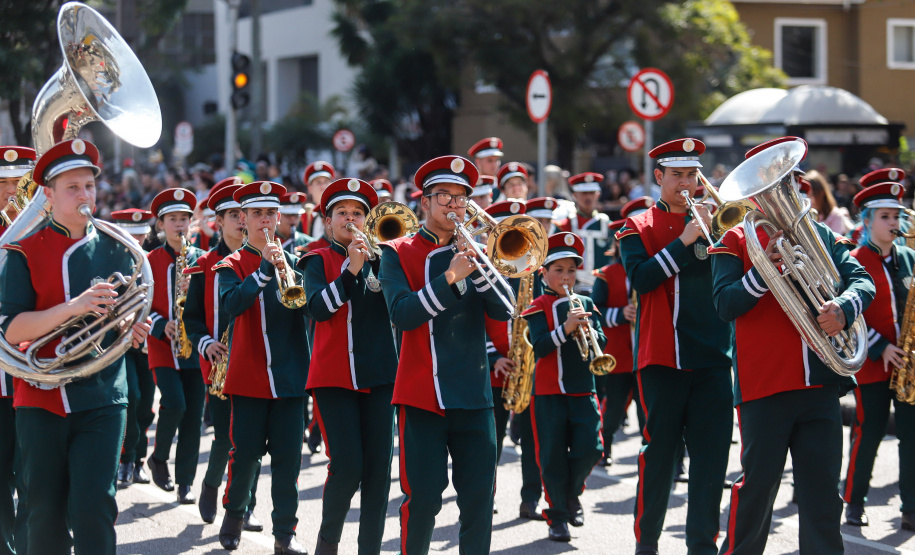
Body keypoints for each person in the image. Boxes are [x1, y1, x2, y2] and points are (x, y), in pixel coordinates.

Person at [710, 137, 875, 554]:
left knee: (823, 498)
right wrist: (764, 271)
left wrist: (844, 307)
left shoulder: (820, 234)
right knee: (758, 491)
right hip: (764, 387)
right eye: (771, 186)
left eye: (788, 182)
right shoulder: (735, 240)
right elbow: (725, 304)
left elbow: (863, 280)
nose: (783, 193)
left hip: (821, 385)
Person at [0, 138, 150, 555]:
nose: (85, 196)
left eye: (89, 186)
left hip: (104, 395)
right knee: (43, 514)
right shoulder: (23, 250)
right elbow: (11, 329)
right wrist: (74, 307)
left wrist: (132, 327)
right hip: (40, 397)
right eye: (72, 188)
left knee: (94, 507)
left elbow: (128, 309)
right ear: (47, 195)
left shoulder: (119, 248)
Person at [378, 155, 511, 554]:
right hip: (423, 394)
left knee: (479, 501)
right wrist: (451, 277)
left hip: (474, 394)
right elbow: (402, 314)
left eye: (461, 198)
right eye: (444, 196)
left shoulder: (479, 250)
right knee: (422, 501)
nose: (455, 205)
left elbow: (506, 309)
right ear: (424, 202)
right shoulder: (396, 251)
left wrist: (480, 269)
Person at [616, 138, 734, 555]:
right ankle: (646, 543)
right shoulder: (636, 226)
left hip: (714, 356)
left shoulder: (720, 221)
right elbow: (642, 279)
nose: (686, 183)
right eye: (677, 175)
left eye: (692, 175)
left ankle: (702, 546)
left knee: (711, 459)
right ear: (659, 177)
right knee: (660, 455)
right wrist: (684, 240)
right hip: (664, 357)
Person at [299, 178, 398, 555]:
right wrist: (350, 271)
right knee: (347, 466)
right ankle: (327, 544)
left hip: (381, 375)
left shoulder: (386, 258)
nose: (351, 219)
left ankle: (369, 548)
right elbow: (317, 309)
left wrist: (377, 261)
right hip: (334, 377)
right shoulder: (315, 259)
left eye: (358, 213)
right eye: (342, 213)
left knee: (378, 471)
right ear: (328, 221)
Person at [215, 181, 309, 554]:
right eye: (257, 213)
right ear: (244, 218)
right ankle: (234, 513)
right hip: (249, 377)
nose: (265, 220)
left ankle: (285, 534)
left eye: (271, 213)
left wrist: (289, 273)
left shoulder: (297, 262)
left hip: (290, 378)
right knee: (245, 456)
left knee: (288, 462)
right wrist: (264, 272)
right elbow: (231, 305)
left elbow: (310, 308)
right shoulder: (231, 265)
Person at [181, 179, 263, 531]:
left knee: (253, 440)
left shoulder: (262, 258)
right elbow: (192, 318)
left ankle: (246, 505)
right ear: (218, 221)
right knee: (227, 437)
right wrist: (205, 344)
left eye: (245, 214)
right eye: (233, 215)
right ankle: (213, 484)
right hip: (219, 363)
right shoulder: (204, 264)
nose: (242, 220)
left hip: (257, 361)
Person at [522, 232, 605, 542]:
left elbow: (601, 342)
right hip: (548, 393)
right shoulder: (537, 306)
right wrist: (567, 328)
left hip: (583, 388)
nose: (567, 277)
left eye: (571, 270)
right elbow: (541, 346)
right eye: (559, 270)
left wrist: (589, 328)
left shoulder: (587, 302)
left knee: (592, 448)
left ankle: (571, 493)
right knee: (552, 457)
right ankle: (557, 517)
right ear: (544, 273)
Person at [842, 181, 915, 532]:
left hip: (908, 365)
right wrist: (880, 346)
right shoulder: (854, 260)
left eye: (896, 216)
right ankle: (854, 501)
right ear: (867, 220)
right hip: (872, 363)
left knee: (911, 436)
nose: (893, 223)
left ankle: (911, 506)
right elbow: (850, 318)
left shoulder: (908, 257)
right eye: (885, 216)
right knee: (867, 431)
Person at [482, 200, 545, 521]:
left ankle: (531, 499)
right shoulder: (480, 267)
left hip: (527, 367)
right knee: (489, 441)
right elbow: (470, 319)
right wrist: (493, 356)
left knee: (533, 440)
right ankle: (485, 496)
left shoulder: (534, 270)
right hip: (491, 368)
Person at [145, 188, 205, 504]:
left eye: (184, 219)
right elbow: (138, 303)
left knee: (193, 417)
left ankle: (185, 482)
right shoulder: (149, 260)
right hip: (163, 347)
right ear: (161, 224)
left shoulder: (202, 259)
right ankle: (159, 456)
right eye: (173, 219)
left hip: (194, 347)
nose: (179, 225)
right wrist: (159, 324)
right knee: (175, 404)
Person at [591, 197, 651, 467]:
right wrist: (620, 314)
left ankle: (654, 454)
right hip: (618, 354)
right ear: (616, 244)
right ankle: (604, 448)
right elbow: (595, 311)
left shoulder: (653, 268)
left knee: (649, 410)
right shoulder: (606, 273)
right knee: (614, 407)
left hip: (647, 351)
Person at [0, 145, 34, 555]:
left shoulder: (43, 234)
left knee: (33, 477)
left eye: (18, 183)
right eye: (2, 183)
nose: (11, 192)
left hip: (33, 376)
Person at [111, 209, 157, 488]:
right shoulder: (112, 261)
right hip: (120, 343)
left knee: (146, 404)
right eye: (131, 235)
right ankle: (125, 459)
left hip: (148, 342)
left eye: (141, 235)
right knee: (132, 397)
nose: (137, 241)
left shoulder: (154, 261)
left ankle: (139, 460)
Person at [556, 173, 612, 293]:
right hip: (572, 287)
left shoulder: (608, 225)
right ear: (575, 195)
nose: (588, 197)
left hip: (603, 287)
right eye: (584, 193)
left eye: (592, 193)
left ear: (598, 194)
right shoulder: (564, 225)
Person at [807, 170, 854, 236]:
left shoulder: (836, 216)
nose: (809, 200)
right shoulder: (806, 215)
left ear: (822, 193)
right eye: (806, 195)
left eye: (812, 195)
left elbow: (833, 241)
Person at [301, 161, 336, 239]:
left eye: (326, 182)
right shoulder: (304, 216)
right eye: (318, 182)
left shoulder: (337, 210)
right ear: (310, 188)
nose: (323, 186)